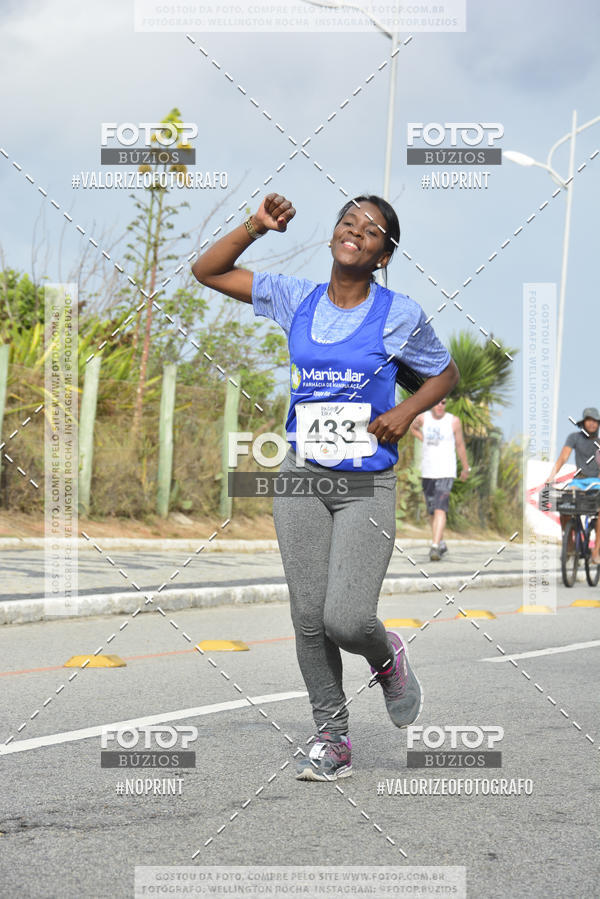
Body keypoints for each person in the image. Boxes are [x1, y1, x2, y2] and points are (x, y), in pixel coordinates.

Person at [191, 192, 459, 780]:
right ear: (334, 234)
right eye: (348, 221)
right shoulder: (297, 298)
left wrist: (406, 412)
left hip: (367, 483)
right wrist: (256, 226)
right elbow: (206, 270)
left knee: (348, 619)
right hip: (300, 477)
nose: (356, 231)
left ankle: (387, 658)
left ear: (383, 255)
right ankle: (332, 737)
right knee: (309, 619)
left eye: (372, 230)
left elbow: (445, 374)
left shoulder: (399, 314)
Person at [410, 399, 469, 560]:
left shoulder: (453, 421)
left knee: (440, 509)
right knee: (431, 511)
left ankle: (435, 547)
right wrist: (423, 438)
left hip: (445, 471)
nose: (440, 405)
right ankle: (441, 542)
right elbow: (413, 429)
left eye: (443, 402)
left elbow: (460, 445)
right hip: (428, 471)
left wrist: (465, 468)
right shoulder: (423, 418)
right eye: (437, 402)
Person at [546, 407, 600, 564]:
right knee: (564, 507)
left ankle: (596, 551)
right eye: (589, 420)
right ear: (583, 423)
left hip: (596, 483)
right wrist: (551, 476)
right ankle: (569, 543)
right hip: (578, 482)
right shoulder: (574, 438)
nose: (592, 424)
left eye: (595, 421)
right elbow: (563, 458)